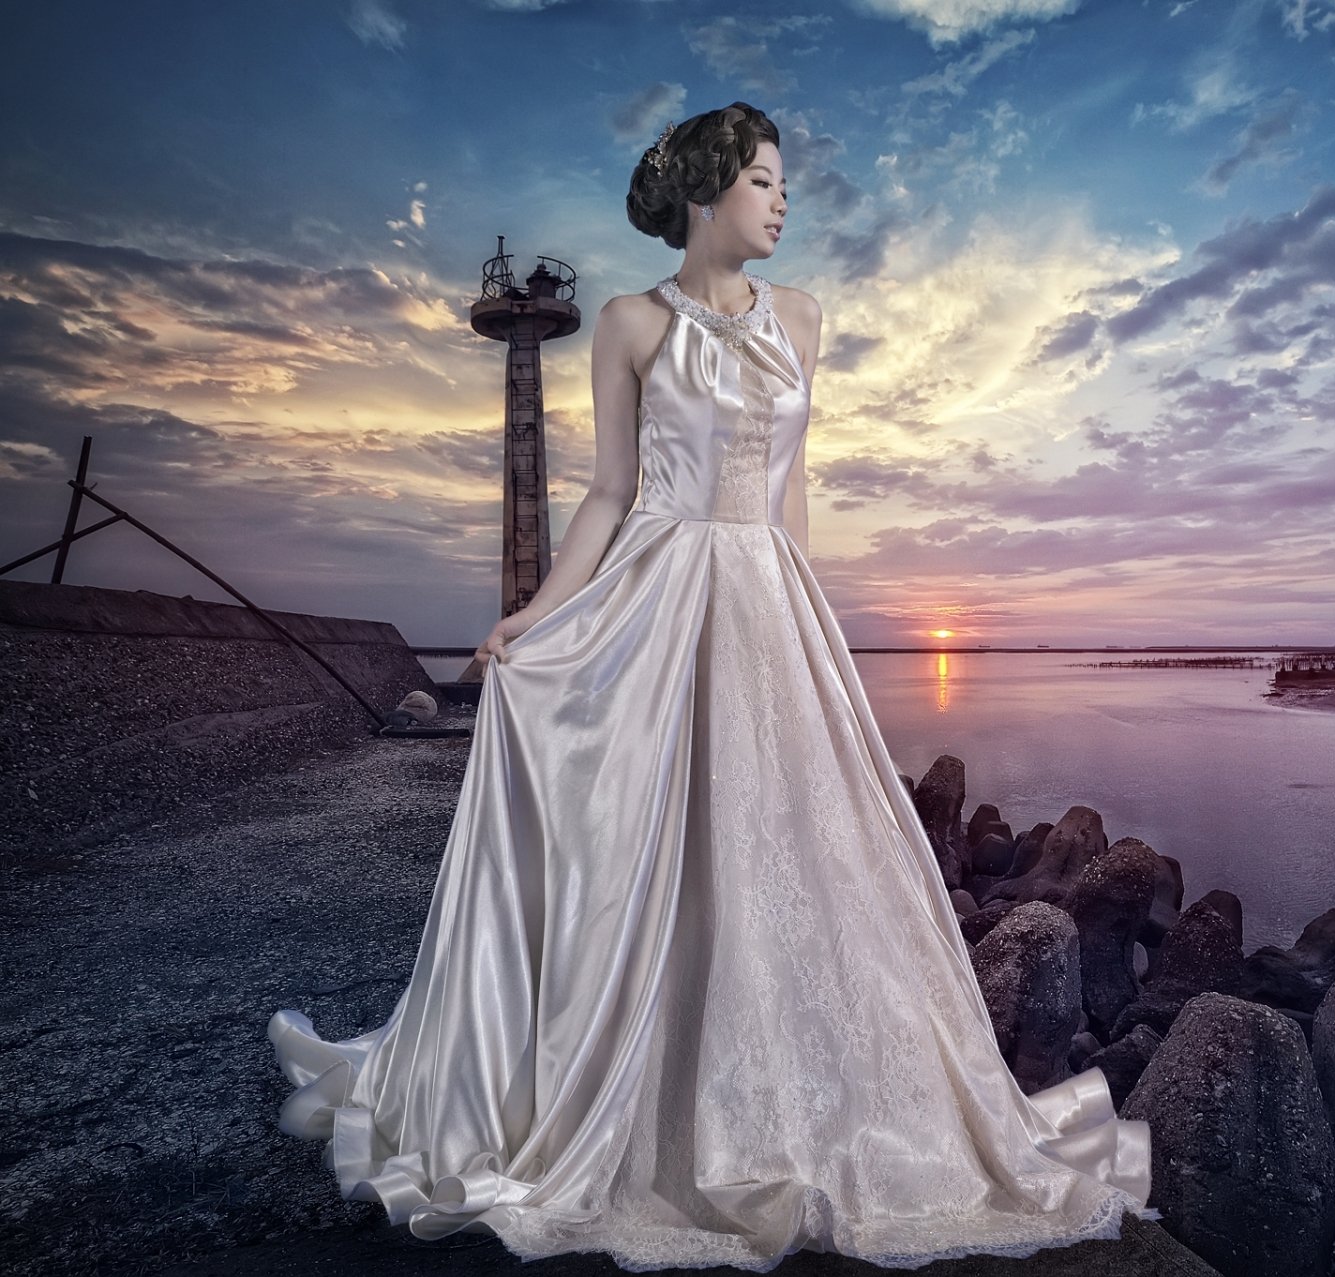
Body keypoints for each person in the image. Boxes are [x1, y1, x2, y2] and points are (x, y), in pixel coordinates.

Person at [265, 101, 1157, 1271]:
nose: (783, 202)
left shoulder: (805, 319)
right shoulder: (633, 323)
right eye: (763, 182)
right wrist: (538, 613)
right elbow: (607, 492)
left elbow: (789, 496)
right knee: (654, 842)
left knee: (793, 849)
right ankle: (643, 1097)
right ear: (703, 193)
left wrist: (810, 619)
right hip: (659, 586)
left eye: (786, 185)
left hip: (767, 597)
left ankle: (787, 1106)